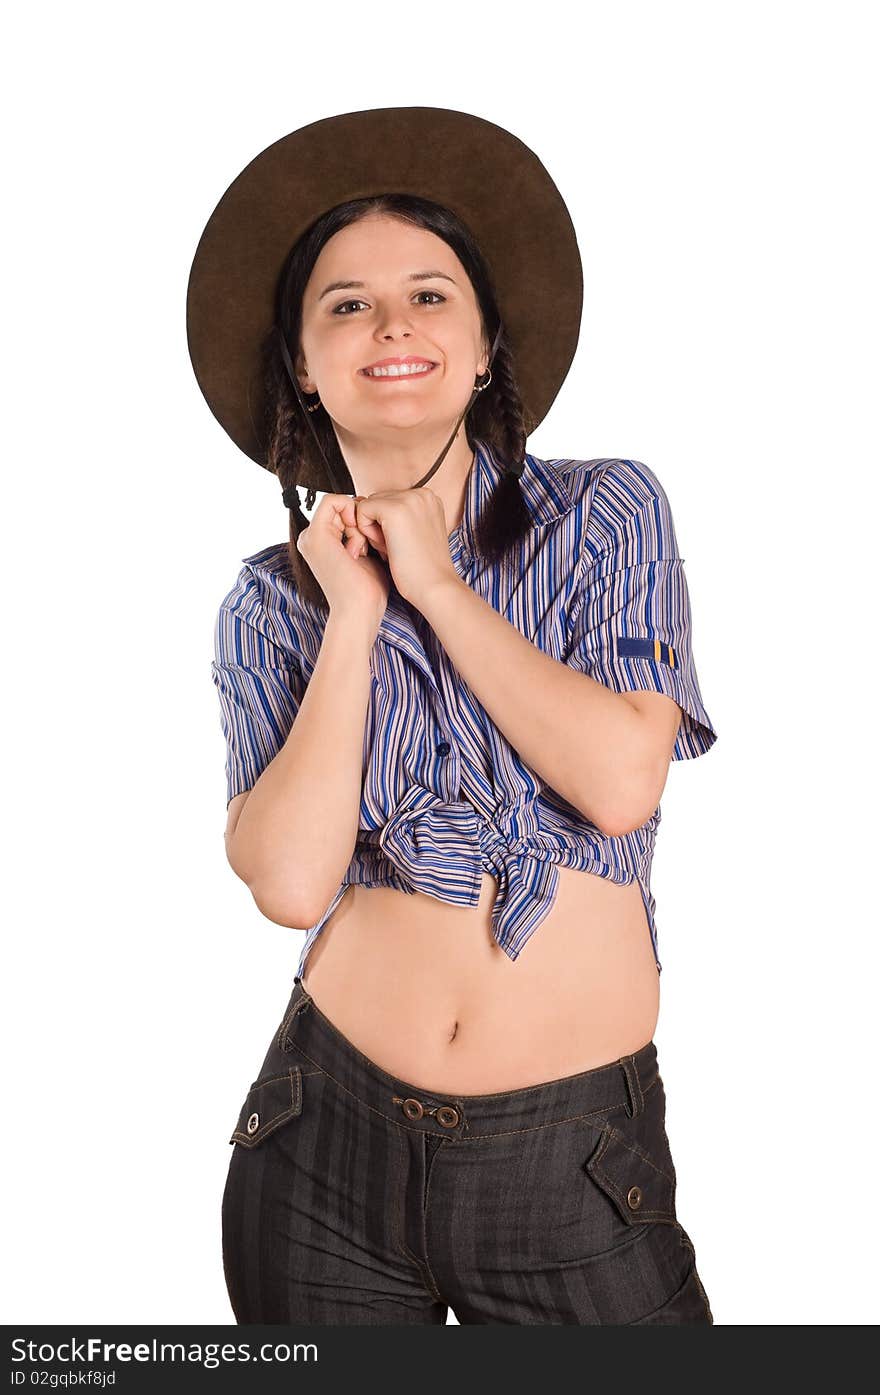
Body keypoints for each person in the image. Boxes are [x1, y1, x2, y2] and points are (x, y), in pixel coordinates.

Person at [188, 107, 719, 1325]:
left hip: (574, 1161)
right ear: (304, 370)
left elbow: (619, 781)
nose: (391, 327)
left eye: (430, 296)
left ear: (483, 349)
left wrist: (432, 581)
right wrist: (360, 616)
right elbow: (287, 879)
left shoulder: (605, 514)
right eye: (345, 306)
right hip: (323, 1150)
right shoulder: (273, 602)